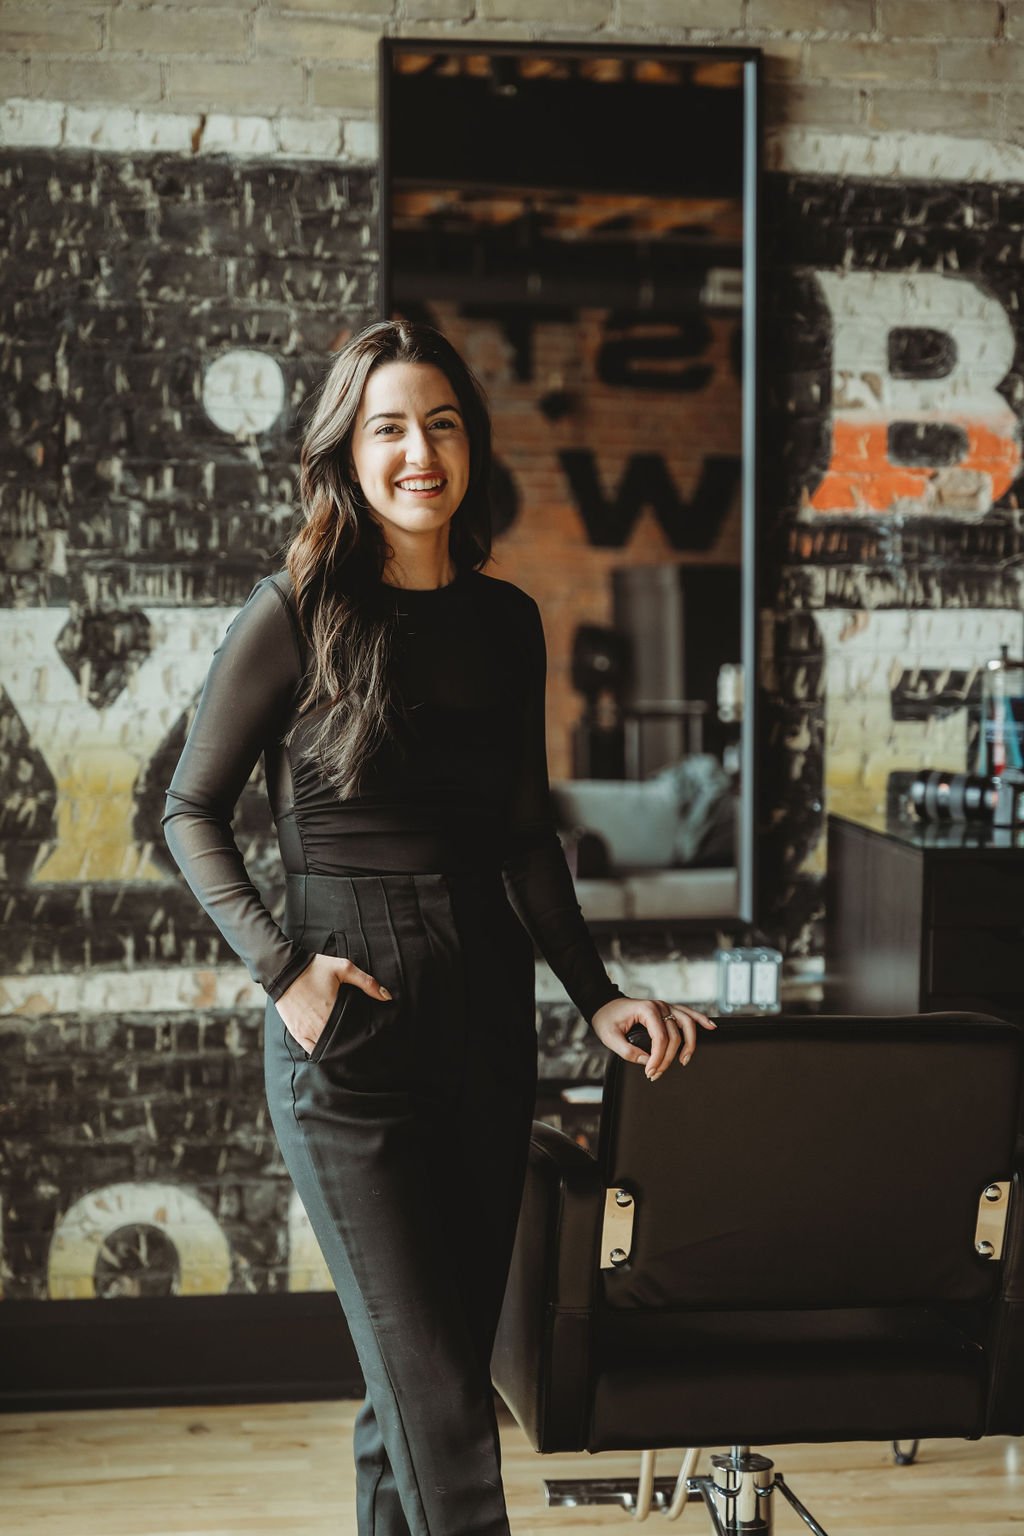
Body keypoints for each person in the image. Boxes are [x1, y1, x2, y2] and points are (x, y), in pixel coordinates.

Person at [161, 318, 715, 1536]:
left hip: (485, 1031)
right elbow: (188, 809)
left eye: (443, 423)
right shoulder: (293, 613)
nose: (421, 450)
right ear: (348, 453)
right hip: (350, 1042)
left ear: (471, 446)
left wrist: (597, 995)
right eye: (390, 427)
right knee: (447, 1414)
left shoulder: (506, 621)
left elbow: (524, 839)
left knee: (421, 1389)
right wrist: (283, 970)